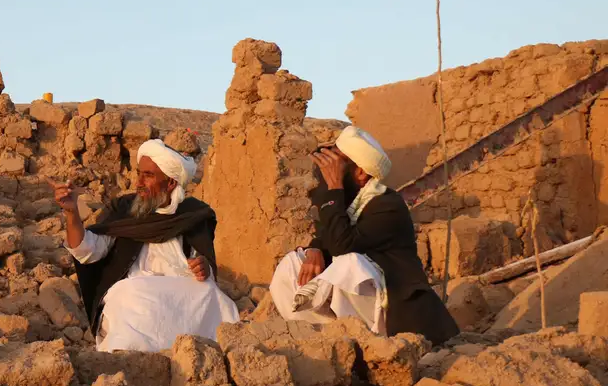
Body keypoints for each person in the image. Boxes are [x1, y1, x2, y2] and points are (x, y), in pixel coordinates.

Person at [268, 126, 459, 345]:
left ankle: (363, 342)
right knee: (292, 264)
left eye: (337, 163)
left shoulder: (387, 204)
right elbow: (328, 231)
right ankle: (322, 339)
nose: (330, 169)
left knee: (349, 265)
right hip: (361, 303)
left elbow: (343, 245)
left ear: (360, 173)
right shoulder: (350, 198)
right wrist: (315, 249)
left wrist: (334, 187)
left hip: (394, 311)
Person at [53, 139, 239, 352]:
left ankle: (204, 352)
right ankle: (132, 355)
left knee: (210, 293)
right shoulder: (124, 209)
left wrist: (203, 267)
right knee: (133, 293)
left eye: (148, 175)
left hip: (179, 291)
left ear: (170, 183)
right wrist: (71, 212)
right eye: (139, 173)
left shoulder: (192, 214)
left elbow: (203, 262)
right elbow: (86, 251)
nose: (139, 182)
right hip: (138, 292)